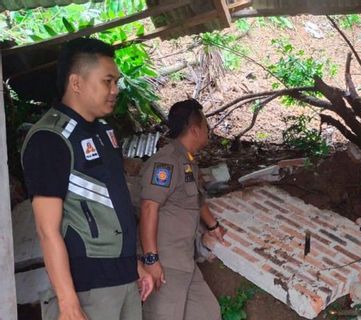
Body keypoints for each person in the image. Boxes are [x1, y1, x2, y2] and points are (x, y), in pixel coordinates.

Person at [21, 37, 153, 320]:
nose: (115, 90)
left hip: (124, 281)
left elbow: (112, 206)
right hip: (88, 291)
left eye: (116, 82)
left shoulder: (104, 132)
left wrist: (133, 265)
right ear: (77, 83)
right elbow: (48, 230)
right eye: (107, 81)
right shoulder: (51, 139)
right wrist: (68, 304)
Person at [139, 99, 225, 320]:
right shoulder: (166, 162)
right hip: (165, 263)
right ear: (195, 130)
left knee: (207, 312)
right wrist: (151, 260)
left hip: (184, 261)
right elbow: (149, 207)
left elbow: (195, 199)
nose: (209, 131)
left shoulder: (186, 162)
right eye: (206, 126)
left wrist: (214, 226)